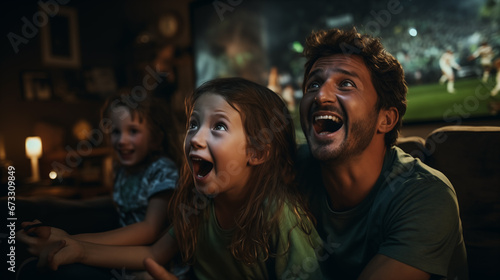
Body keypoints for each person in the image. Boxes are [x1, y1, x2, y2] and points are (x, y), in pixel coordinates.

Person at [23, 78, 323, 280]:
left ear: (257, 151)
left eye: (218, 126)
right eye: (193, 124)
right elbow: (153, 253)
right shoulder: (199, 204)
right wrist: (78, 248)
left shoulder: (281, 219)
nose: (195, 138)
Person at [297, 28, 468, 279]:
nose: (320, 95)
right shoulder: (290, 168)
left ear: (386, 119)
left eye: (346, 83)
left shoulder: (425, 194)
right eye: (313, 84)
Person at [18, 91, 184, 279]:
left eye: (133, 131)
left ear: (155, 139)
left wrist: (71, 241)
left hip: (152, 260)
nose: (121, 140)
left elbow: (149, 229)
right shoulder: (122, 169)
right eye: (115, 131)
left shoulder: (162, 169)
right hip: (122, 253)